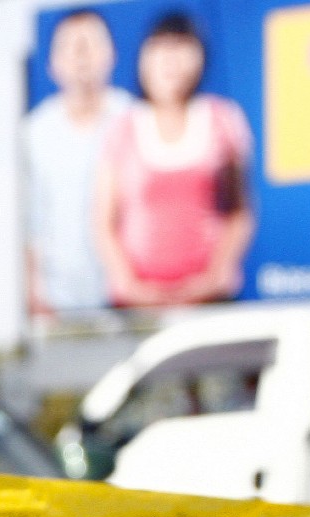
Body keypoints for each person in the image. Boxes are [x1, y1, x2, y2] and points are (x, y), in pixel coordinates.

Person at [93, 10, 256, 308]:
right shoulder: (122, 127)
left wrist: (214, 278)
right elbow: (104, 223)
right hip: (134, 308)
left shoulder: (224, 120)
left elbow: (239, 212)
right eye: (160, 48)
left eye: (181, 47)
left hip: (211, 302)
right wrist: (130, 286)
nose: (170, 59)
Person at [22, 8, 133, 316]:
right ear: (52, 63)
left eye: (91, 43)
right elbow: (29, 222)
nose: (82, 54)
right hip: (59, 302)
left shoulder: (132, 118)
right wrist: (33, 294)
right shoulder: (35, 132)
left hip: (132, 298)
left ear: (111, 54)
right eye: (71, 45)